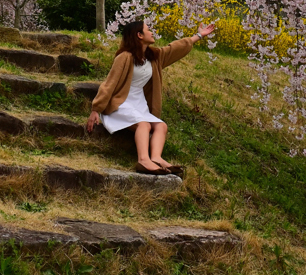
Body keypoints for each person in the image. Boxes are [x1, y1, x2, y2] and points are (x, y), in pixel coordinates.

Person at [87, 19, 214, 175]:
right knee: (144, 125)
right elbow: (109, 84)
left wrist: (199, 36)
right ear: (139, 35)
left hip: (139, 104)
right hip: (121, 103)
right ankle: (143, 160)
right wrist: (96, 109)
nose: (152, 32)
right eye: (148, 29)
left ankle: (156, 158)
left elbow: (175, 48)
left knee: (161, 126)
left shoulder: (154, 57)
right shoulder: (124, 57)